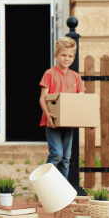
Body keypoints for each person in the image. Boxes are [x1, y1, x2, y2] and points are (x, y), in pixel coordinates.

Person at [38, 37, 85, 179]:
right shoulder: (49, 74)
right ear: (56, 56)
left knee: (66, 158)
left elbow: (81, 101)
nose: (67, 59)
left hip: (69, 123)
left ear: (74, 57)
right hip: (52, 121)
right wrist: (47, 114)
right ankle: (46, 184)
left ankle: (60, 190)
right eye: (63, 55)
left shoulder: (76, 77)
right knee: (57, 154)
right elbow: (42, 98)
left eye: (70, 56)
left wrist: (87, 121)